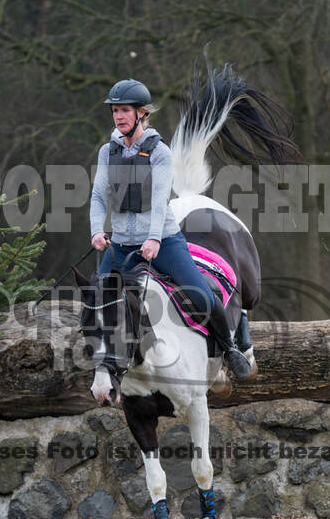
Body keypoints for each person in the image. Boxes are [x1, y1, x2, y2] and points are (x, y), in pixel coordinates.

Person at [90, 78, 251, 379]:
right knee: (99, 301)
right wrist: (96, 231)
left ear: (142, 113)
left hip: (163, 243)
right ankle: (106, 365)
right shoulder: (106, 152)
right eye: (115, 111)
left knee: (202, 296)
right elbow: (99, 196)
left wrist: (152, 239)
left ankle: (230, 349)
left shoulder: (159, 152)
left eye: (125, 110)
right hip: (121, 246)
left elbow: (161, 200)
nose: (119, 116)